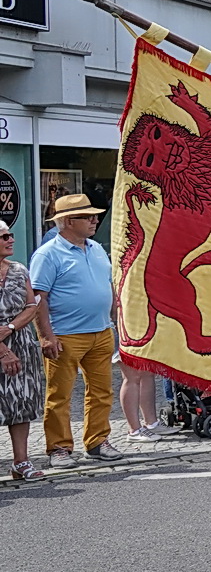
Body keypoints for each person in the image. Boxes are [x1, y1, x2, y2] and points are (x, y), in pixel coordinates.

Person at [31, 194, 122, 467]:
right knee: (60, 395)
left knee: (102, 391)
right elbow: (38, 298)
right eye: (87, 216)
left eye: (94, 215)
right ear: (68, 221)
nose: (95, 220)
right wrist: (46, 336)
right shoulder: (48, 254)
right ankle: (59, 448)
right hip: (66, 335)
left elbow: (108, 287)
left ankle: (97, 441)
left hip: (100, 331)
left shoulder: (95, 248)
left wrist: (115, 320)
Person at [0, 222, 47, 481]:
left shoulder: (19, 270)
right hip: (4, 344)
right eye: (4, 236)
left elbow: (32, 305)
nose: (11, 239)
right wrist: (2, 349)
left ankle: (21, 461)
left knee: (22, 402)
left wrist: (8, 328)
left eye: (11, 235)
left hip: (21, 342)